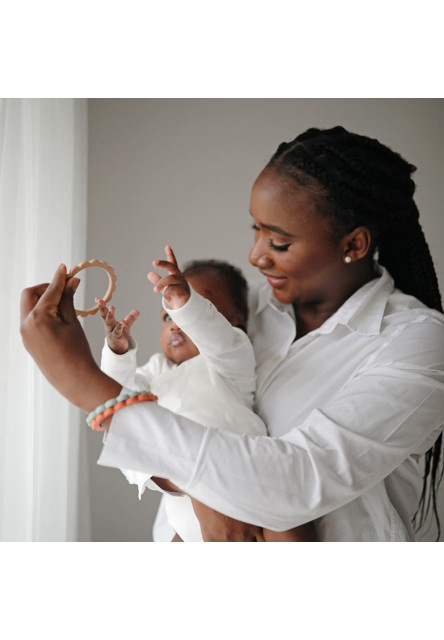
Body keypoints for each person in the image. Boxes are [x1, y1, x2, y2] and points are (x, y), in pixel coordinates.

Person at [20, 125, 444, 541]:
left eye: (278, 243)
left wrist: (83, 382)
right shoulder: (238, 309)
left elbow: (295, 483)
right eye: (255, 230)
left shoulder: (417, 344)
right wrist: (202, 486)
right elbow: (163, 412)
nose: (255, 255)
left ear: (353, 245)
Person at [96, 246, 317, 541]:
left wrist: (186, 307)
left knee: (292, 524)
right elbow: (121, 403)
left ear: (236, 320)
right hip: (184, 503)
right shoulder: (154, 370)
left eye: (191, 308)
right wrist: (118, 353)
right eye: (166, 315)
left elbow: (219, 339)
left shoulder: (230, 361)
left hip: (249, 479)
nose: (174, 321)